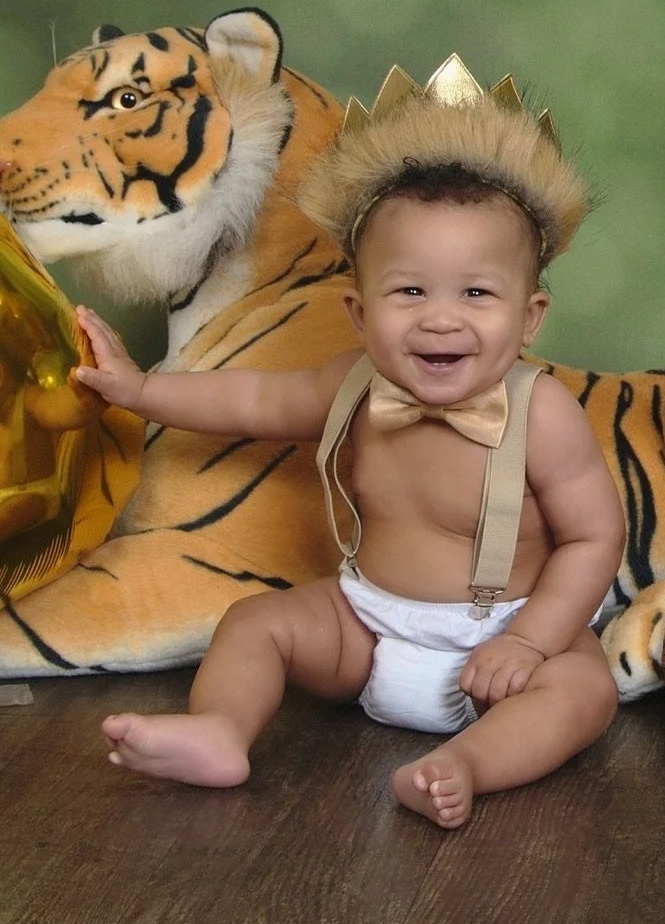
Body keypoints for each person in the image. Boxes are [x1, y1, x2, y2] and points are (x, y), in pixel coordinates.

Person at [74, 70, 625, 829]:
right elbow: (251, 400)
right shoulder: (353, 384)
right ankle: (222, 731)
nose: (440, 321)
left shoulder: (544, 413)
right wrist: (140, 391)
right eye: (409, 293)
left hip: (506, 637)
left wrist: (532, 642)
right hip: (368, 627)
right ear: (358, 313)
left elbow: (596, 536)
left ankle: (463, 765)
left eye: (475, 294)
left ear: (529, 318)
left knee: (583, 692)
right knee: (253, 623)